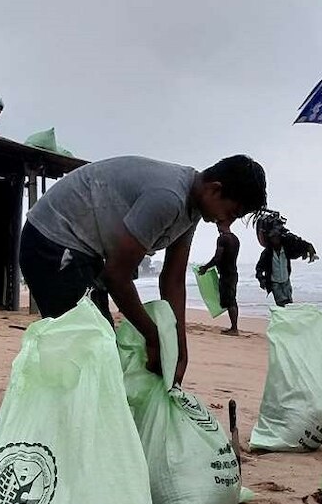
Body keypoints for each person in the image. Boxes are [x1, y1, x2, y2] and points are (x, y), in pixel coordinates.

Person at [19, 154, 266, 386]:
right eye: (231, 213)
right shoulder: (168, 198)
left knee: (101, 346)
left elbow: (173, 280)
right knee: (90, 348)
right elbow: (116, 276)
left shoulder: (192, 210)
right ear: (215, 188)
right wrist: (153, 337)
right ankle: (65, 422)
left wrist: (179, 350)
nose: (226, 222)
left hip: (85, 250)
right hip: (52, 240)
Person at [254, 212, 317, 307]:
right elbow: (259, 268)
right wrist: (262, 280)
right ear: (270, 239)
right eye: (273, 237)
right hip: (275, 283)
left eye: (277, 236)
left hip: (286, 280)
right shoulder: (267, 253)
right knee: (281, 305)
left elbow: (299, 244)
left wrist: (308, 248)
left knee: (289, 303)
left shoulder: (286, 249)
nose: (275, 239)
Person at [198, 219, 241, 335]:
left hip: (226, 274)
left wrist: (205, 267)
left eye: (218, 225)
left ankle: (234, 329)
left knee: (230, 300)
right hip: (233, 272)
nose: (217, 227)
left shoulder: (222, 238)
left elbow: (217, 258)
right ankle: (234, 327)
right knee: (232, 299)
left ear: (223, 225)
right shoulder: (235, 239)